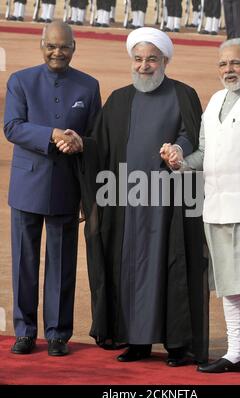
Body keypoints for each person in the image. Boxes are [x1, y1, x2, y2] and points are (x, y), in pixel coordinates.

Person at [65, 27, 209, 366]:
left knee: (169, 267)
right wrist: (81, 143)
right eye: (139, 59)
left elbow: (193, 136)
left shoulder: (183, 94)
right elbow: (100, 143)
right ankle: (138, 341)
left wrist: (177, 149)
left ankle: (178, 345)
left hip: (168, 204)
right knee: (129, 269)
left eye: (152, 60)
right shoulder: (119, 99)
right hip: (125, 203)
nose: (144, 66)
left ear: (164, 61)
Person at [161, 28, 240, 383]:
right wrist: (180, 160)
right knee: (230, 283)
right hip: (217, 206)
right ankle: (237, 353)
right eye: (223, 63)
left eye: (236, 62)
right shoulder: (215, 101)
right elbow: (205, 153)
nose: (229, 69)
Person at [3, 21, 101, 356]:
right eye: (51, 46)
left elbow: (95, 137)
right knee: (24, 262)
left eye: (64, 47)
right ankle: (25, 331)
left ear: (74, 47)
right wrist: (52, 136)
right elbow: (13, 127)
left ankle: (58, 334)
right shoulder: (20, 81)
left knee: (61, 263)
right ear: (41, 45)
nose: (57, 53)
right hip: (27, 185)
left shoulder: (88, 86)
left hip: (66, 186)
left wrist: (80, 144)